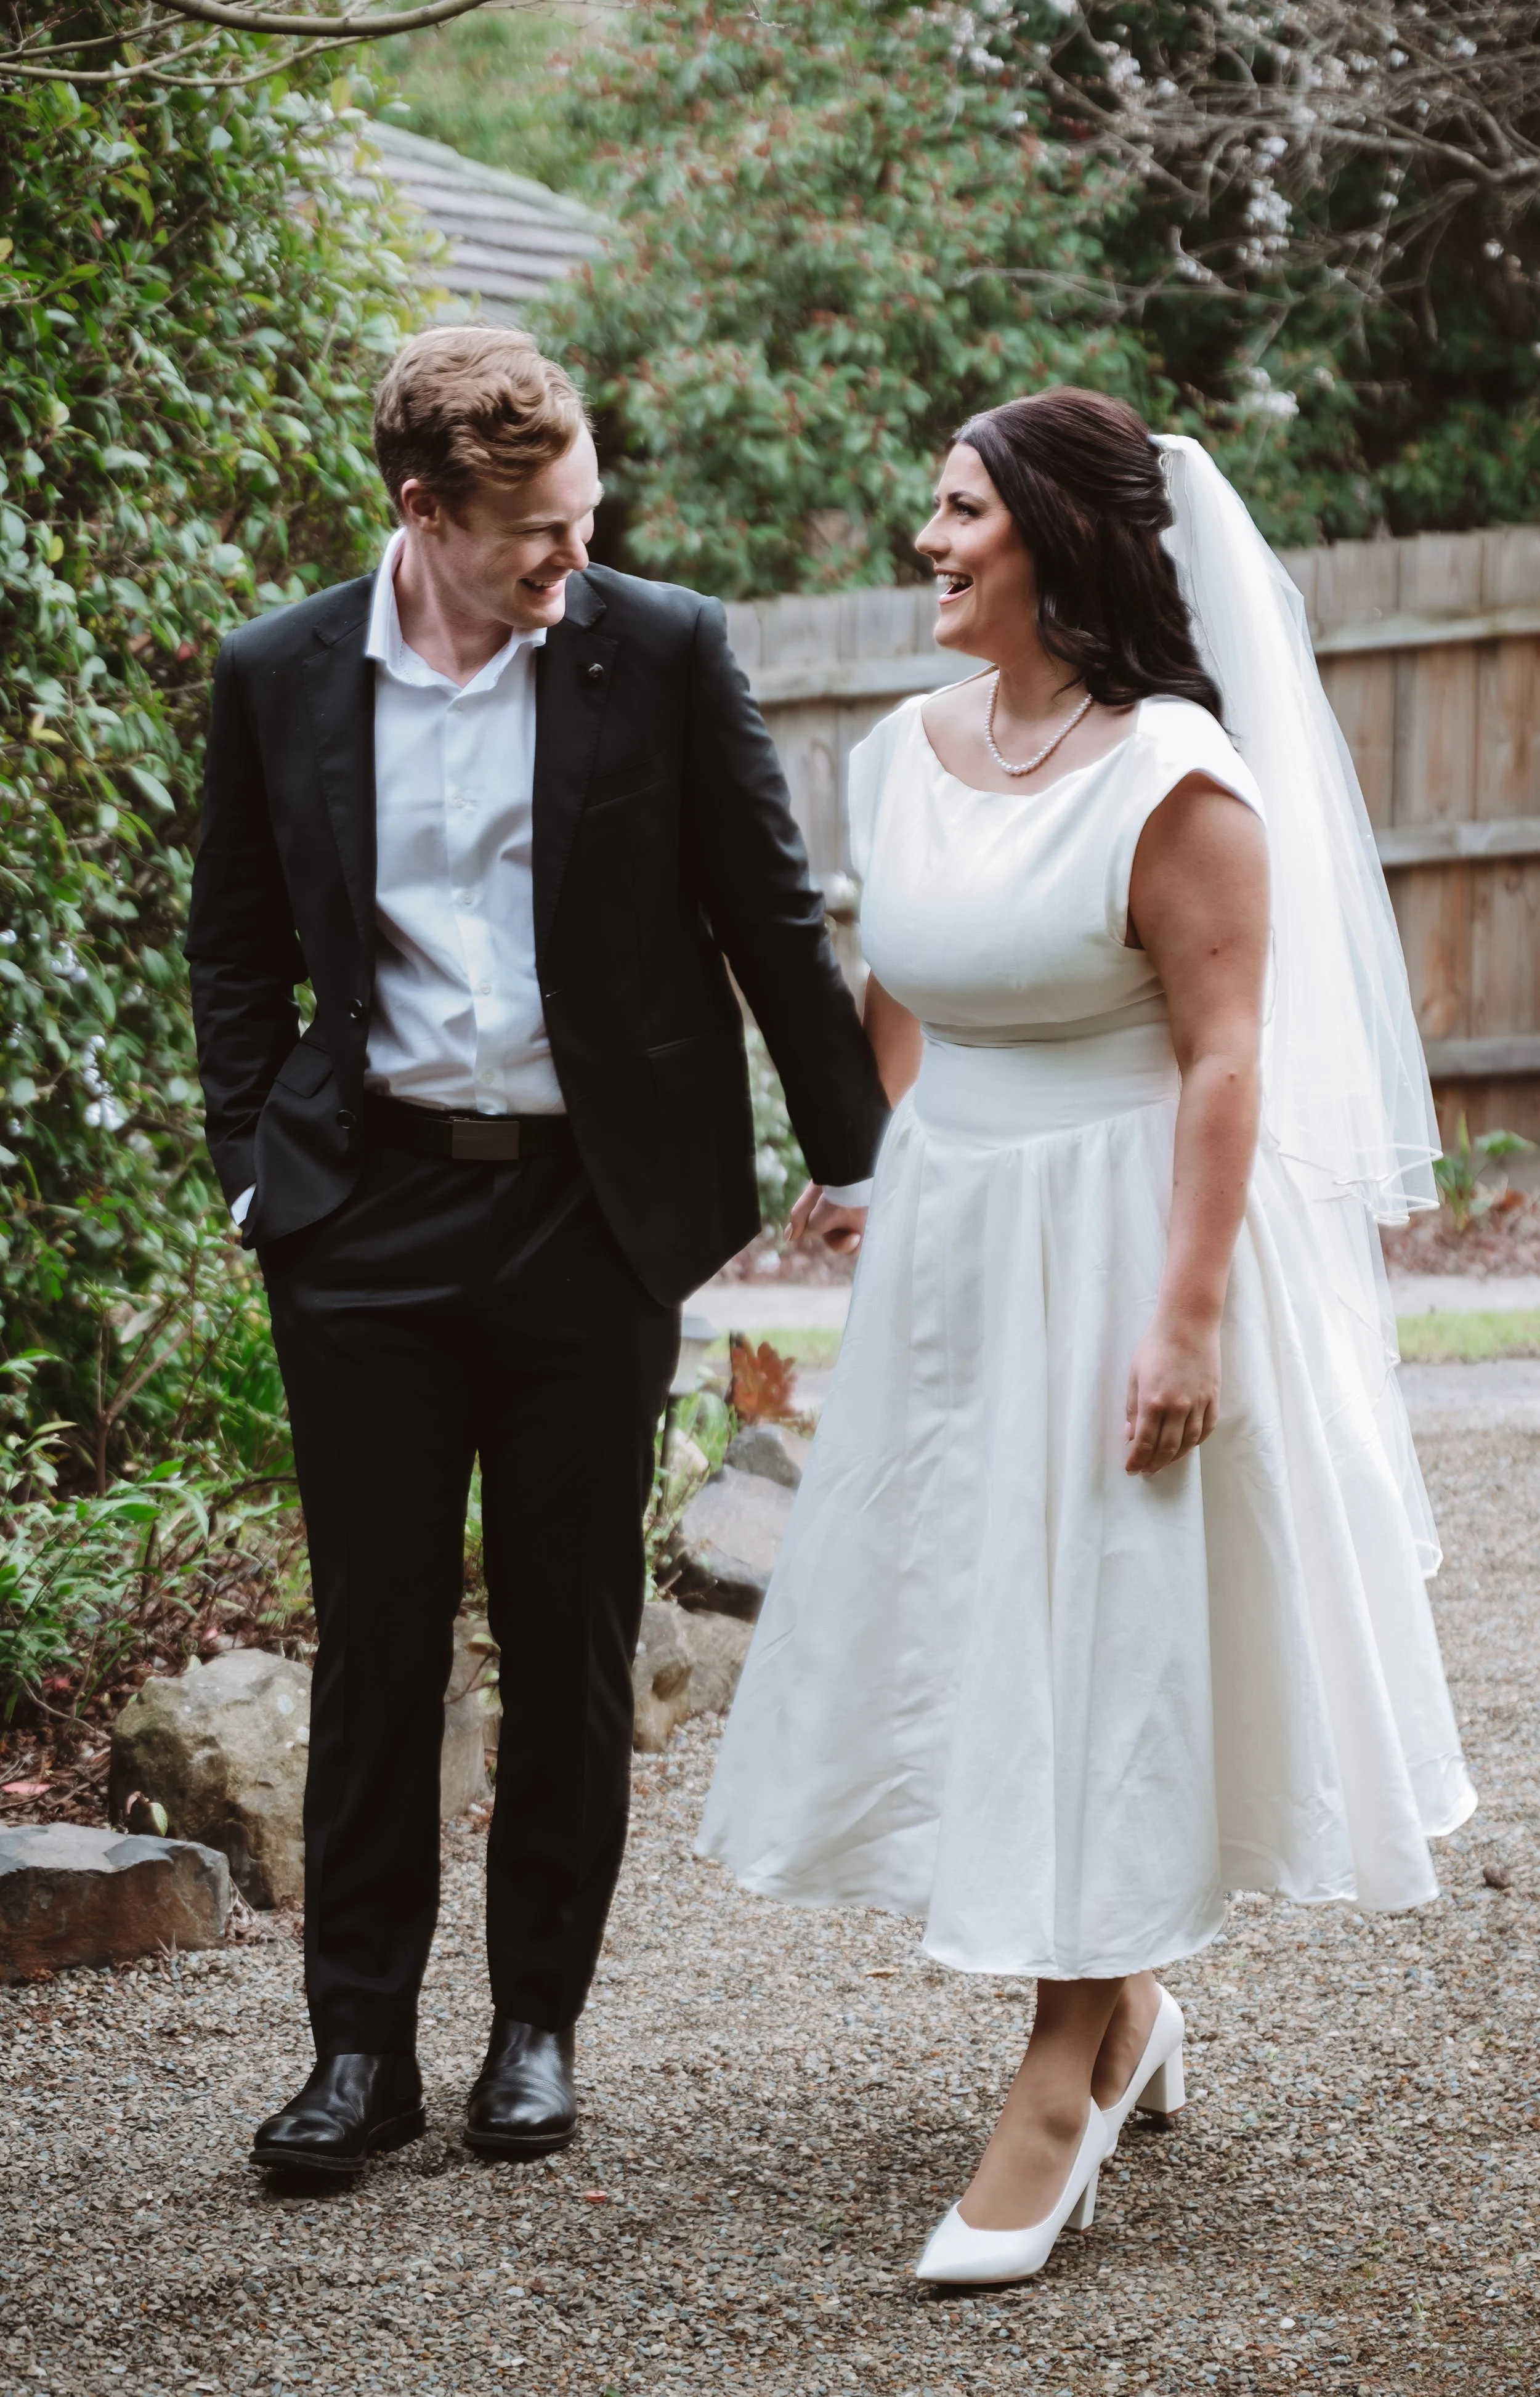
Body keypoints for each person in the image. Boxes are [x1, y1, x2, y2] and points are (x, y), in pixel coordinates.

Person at [698, 390, 1475, 2284]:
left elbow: (1224, 1055)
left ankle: (1071, 2053)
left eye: (958, 511)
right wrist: (863, 1174)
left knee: (1100, 1625)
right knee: (977, 1619)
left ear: (1058, 535)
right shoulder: (900, 752)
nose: (926, 542)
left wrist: (1184, 1319)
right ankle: (1118, 2010)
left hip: (1134, 1230)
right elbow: (906, 979)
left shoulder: (1176, 775)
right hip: (959, 1243)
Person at [186, 326, 888, 2179]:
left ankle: (531, 2032)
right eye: (535, 538)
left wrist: (853, 1156)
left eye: (584, 522)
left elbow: (765, 909)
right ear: (423, 512)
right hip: (365, 1218)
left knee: (571, 1634)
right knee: (378, 1643)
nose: (572, 560)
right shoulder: (278, 677)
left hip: (592, 1214)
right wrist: (260, 1181)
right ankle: (357, 2056)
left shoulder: (658, 648)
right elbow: (234, 952)